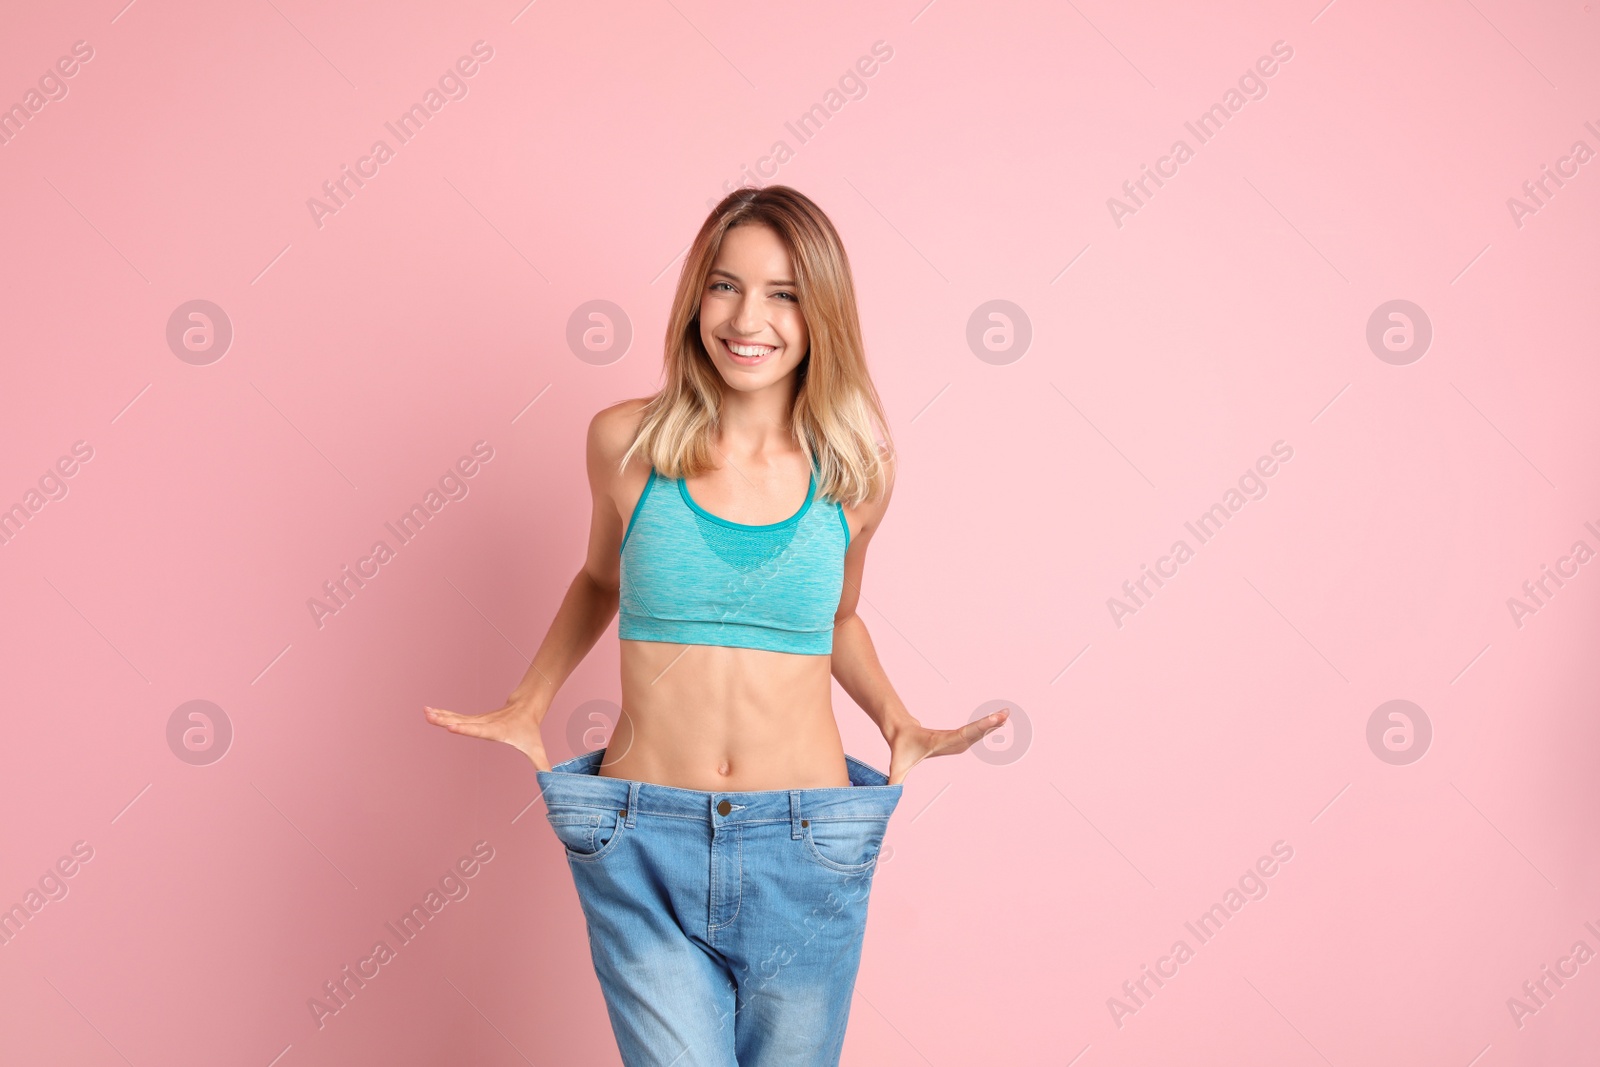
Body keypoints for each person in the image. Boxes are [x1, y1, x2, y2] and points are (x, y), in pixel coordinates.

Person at [425, 185, 1008, 1066]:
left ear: (823, 315)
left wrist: (899, 720)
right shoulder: (625, 443)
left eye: (783, 294)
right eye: (725, 285)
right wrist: (528, 698)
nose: (748, 317)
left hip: (806, 847)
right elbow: (598, 578)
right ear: (696, 295)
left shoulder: (857, 469)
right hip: (642, 841)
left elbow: (839, 617)